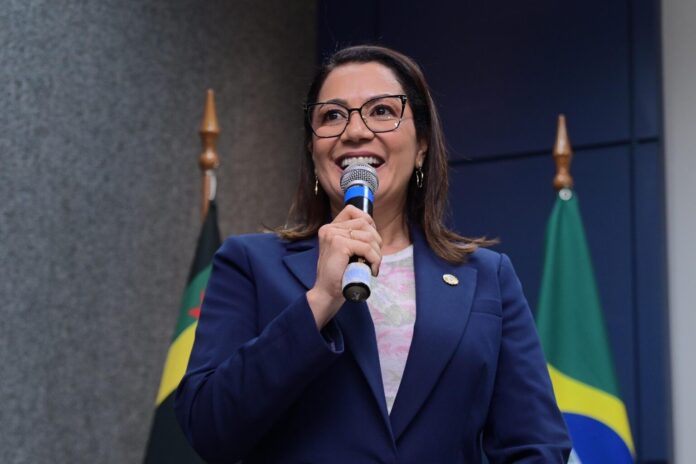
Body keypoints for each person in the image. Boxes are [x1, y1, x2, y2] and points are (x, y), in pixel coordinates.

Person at [175, 45, 571, 463]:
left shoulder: (488, 276)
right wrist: (319, 301)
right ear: (312, 149)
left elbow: (536, 445)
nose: (355, 131)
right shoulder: (250, 264)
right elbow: (209, 428)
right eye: (332, 115)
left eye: (382, 111)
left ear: (421, 146)